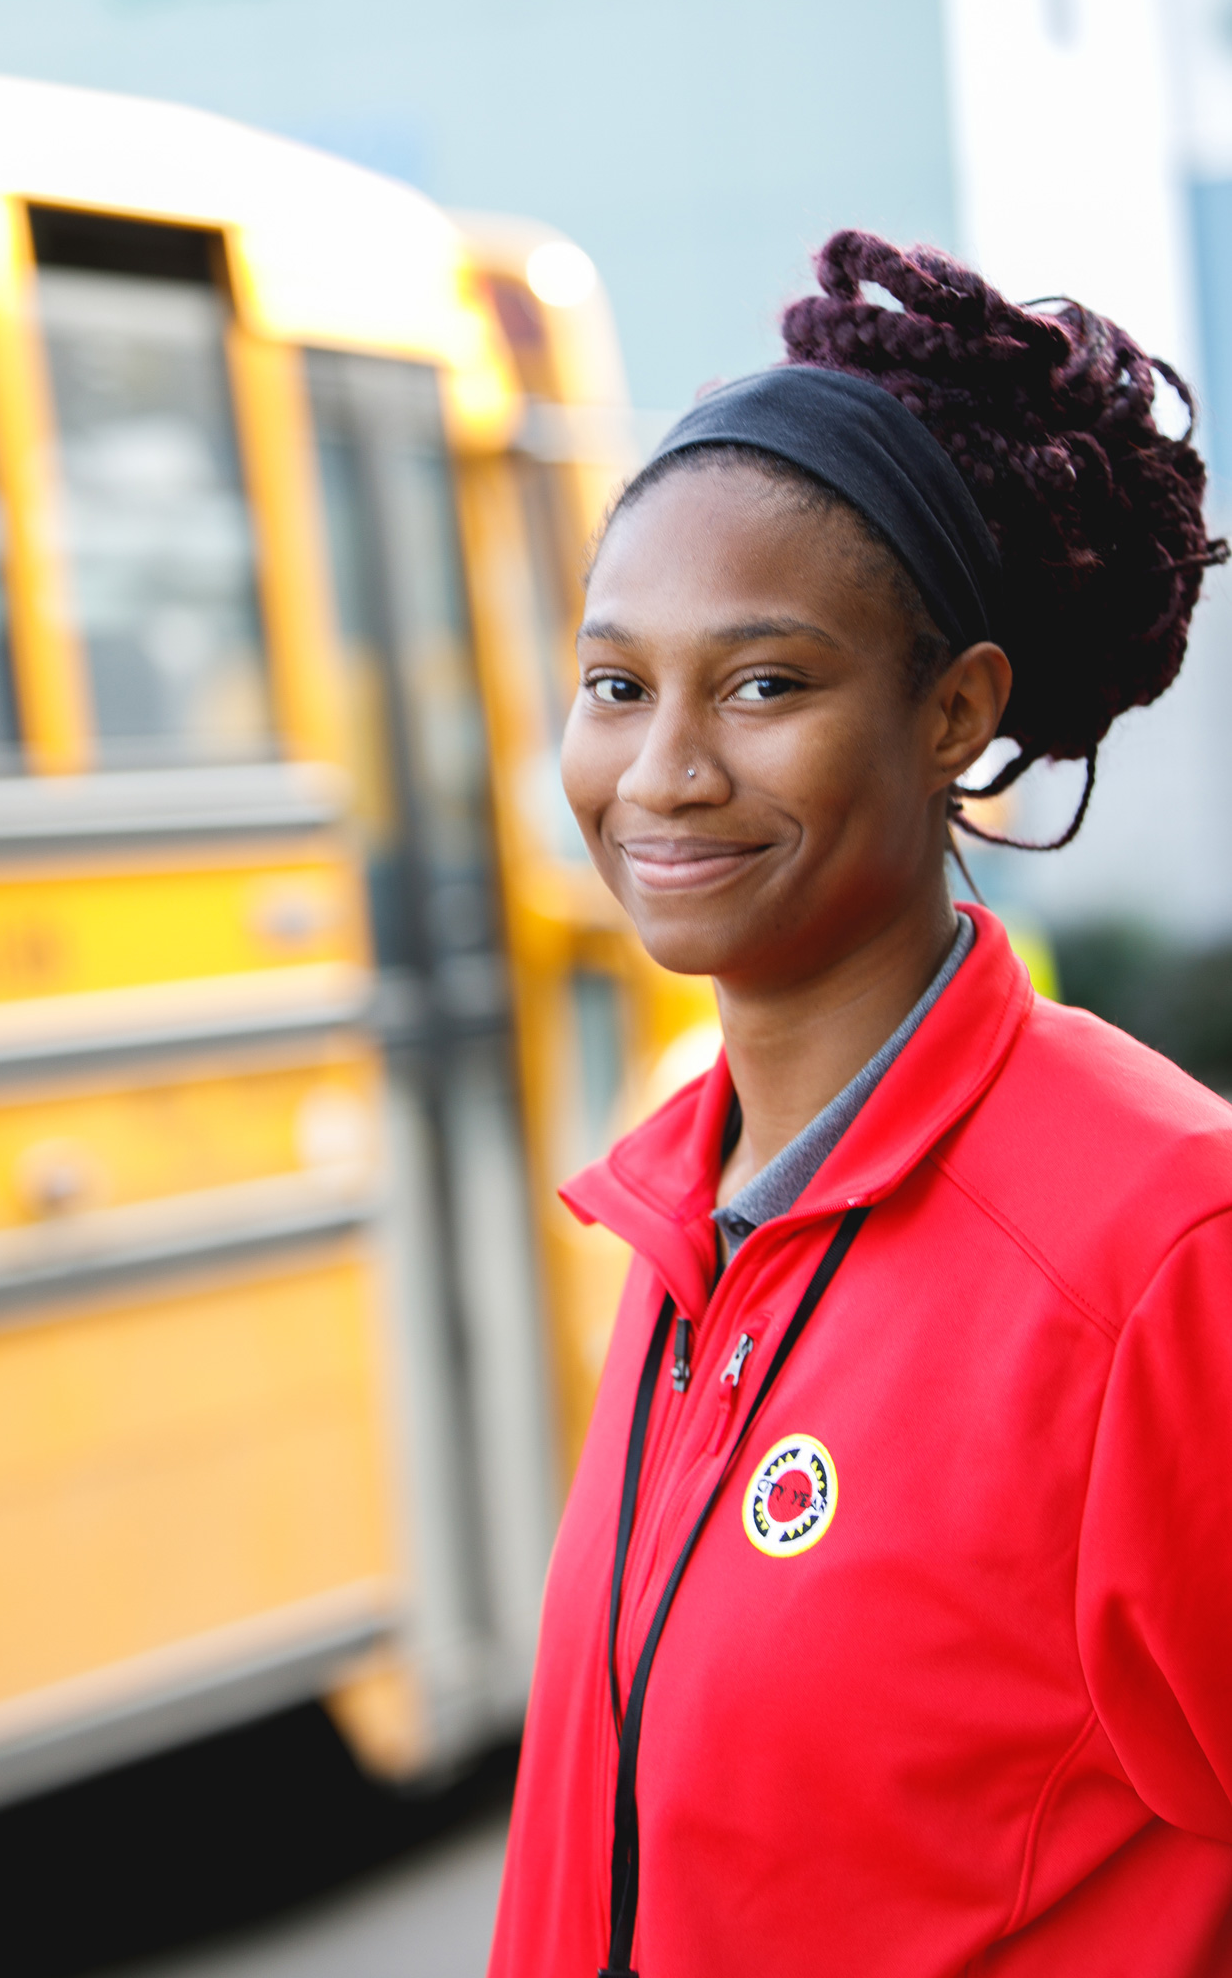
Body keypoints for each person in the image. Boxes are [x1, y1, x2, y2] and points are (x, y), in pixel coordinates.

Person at [486, 230, 1232, 1976]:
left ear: (952, 712)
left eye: (763, 685)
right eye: (616, 685)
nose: (661, 772)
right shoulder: (683, 1223)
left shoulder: (1157, 1247)